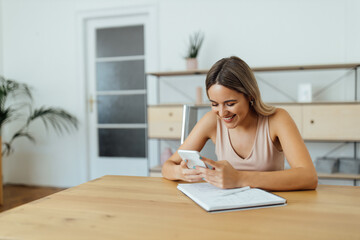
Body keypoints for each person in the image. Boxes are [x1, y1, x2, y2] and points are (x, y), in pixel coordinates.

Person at [161, 56, 318, 191]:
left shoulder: (277, 119)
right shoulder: (212, 121)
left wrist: (239, 179)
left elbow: (309, 177)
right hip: (227, 210)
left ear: (250, 96)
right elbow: (168, 166)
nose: (222, 113)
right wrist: (181, 173)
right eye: (214, 104)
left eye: (230, 104)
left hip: (270, 212)